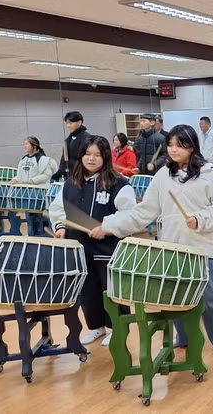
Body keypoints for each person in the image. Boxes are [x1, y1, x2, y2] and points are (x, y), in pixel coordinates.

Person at [95, 125, 213, 359]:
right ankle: (184, 336)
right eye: (170, 145)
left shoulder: (210, 175)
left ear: (192, 147)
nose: (173, 150)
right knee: (175, 297)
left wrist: (199, 219)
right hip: (171, 246)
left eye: (179, 145)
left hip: (202, 248)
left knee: (210, 298)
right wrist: (110, 226)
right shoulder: (163, 175)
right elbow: (145, 211)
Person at [49, 136, 137, 345]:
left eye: (97, 155)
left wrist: (107, 228)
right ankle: (96, 326)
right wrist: (60, 227)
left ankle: (118, 328)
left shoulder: (118, 184)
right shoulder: (70, 183)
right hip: (79, 248)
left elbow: (130, 215)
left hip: (107, 249)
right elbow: (58, 209)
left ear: (105, 157)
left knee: (112, 291)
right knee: (87, 292)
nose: (91, 159)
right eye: (87, 154)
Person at [11, 136, 58, 234]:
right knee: (30, 220)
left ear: (34, 146)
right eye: (24, 144)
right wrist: (15, 180)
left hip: (40, 193)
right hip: (27, 195)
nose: (24, 146)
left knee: (38, 218)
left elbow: (46, 175)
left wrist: (32, 181)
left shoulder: (44, 160)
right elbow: (19, 175)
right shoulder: (23, 160)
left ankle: (41, 234)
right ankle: (33, 235)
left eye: (26, 144)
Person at [52, 111, 92, 181]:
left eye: (70, 123)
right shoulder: (68, 139)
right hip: (70, 175)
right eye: (67, 123)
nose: (68, 126)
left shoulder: (87, 138)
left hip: (82, 174)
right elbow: (64, 158)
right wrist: (60, 172)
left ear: (79, 122)